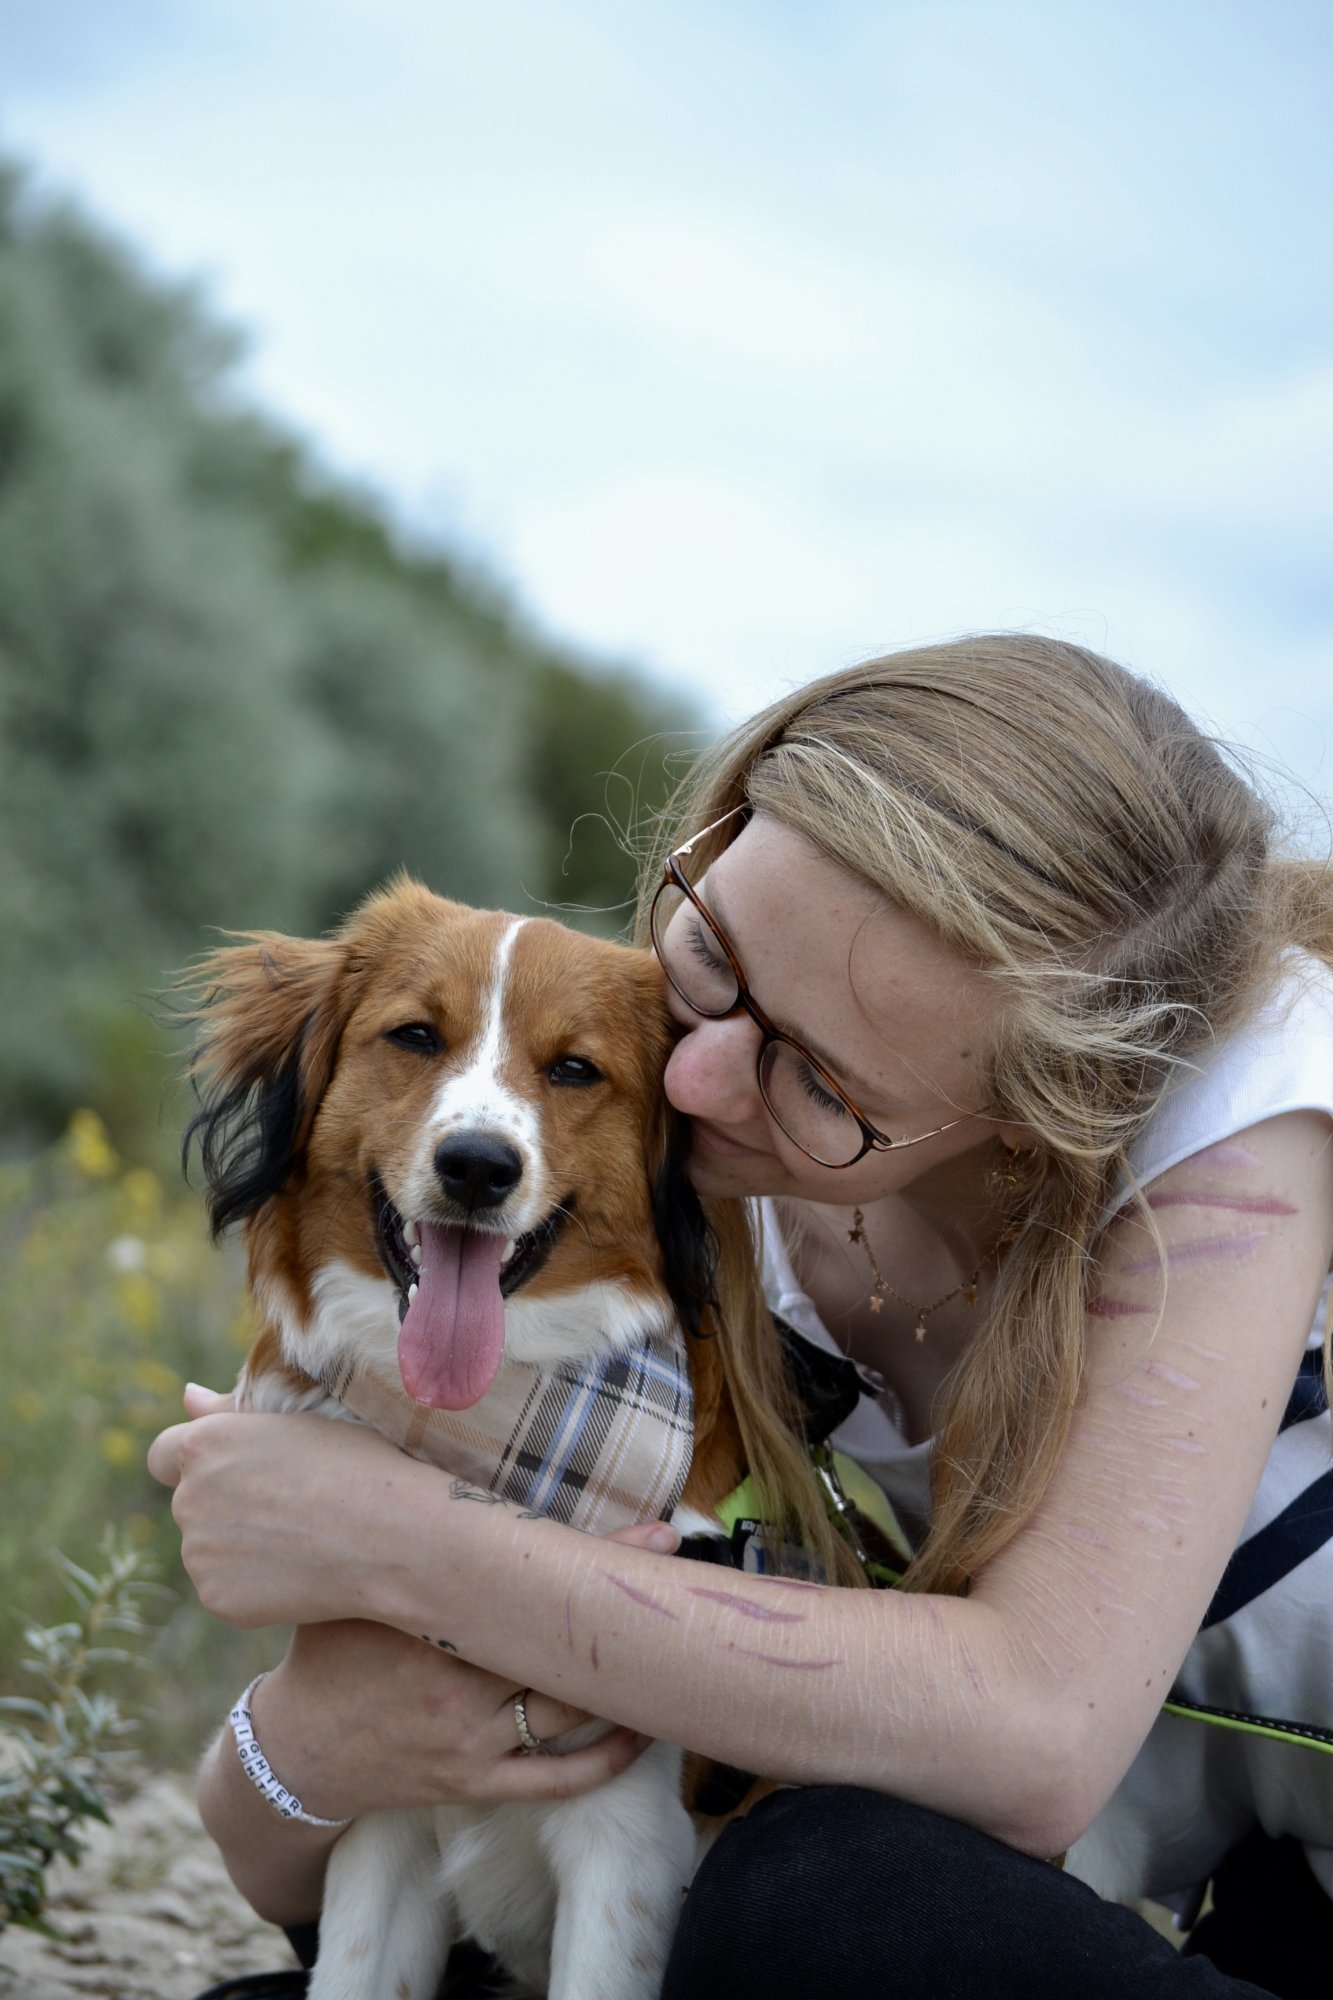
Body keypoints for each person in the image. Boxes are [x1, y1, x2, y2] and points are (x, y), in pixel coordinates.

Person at [150, 636, 1333, 1998]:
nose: (694, 1071)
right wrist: (299, 1744)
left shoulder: (1244, 1112)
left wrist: (401, 1547)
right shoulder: (679, 1161)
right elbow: (318, 1846)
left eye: (817, 1077)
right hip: (1151, 1891)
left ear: (1028, 1114)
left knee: (822, 1898)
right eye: (707, 949)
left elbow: (1031, 1741)